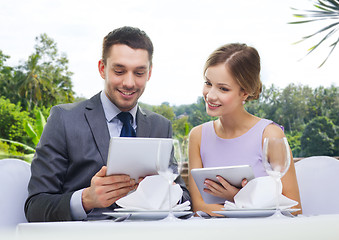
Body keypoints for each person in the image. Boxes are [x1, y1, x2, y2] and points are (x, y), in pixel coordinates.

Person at [25, 26, 190, 222]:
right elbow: (35, 207)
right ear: (102, 69)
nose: (129, 83)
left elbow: (185, 199)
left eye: (139, 73)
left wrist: (167, 193)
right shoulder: (64, 119)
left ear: (149, 73)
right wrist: (86, 199)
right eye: (119, 71)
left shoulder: (160, 126)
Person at [188, 43, 301, 216]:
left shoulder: (270, 135)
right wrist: (246, 204)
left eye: (223, 88)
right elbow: (199, 207)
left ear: (245, 92)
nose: (210, 95)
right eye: (208, 83)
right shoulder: (198, 136)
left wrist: (237, 197)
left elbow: (294, 209)